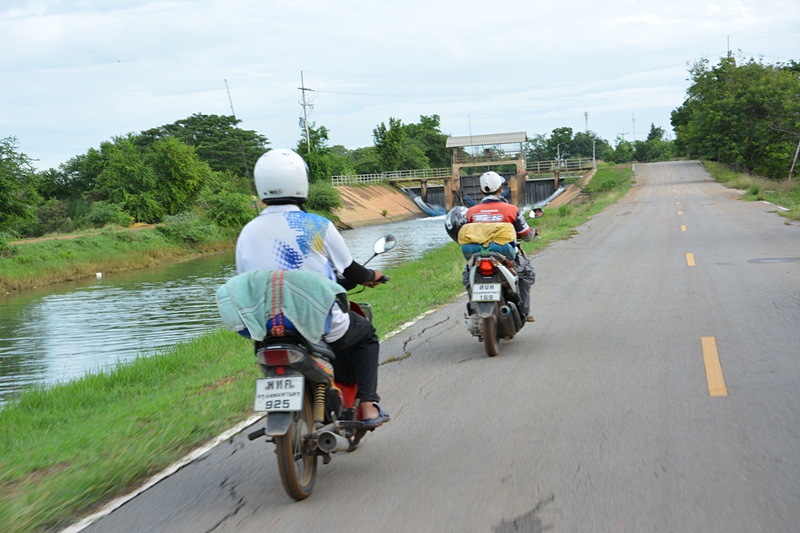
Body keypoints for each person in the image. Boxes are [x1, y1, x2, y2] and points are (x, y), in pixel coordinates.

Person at [235, 148, 389, 428]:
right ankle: (367, 406)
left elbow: (245, 280)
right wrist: (372, 274)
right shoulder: (316, 225)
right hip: (317, 322)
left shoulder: (247, 232)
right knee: (366, 335)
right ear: (301, 182)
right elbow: (350, 270)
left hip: (266, 328)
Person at [464, 171, 536, 322]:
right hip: (504, 256)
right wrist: (532, 233)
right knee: (527, 274)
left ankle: (473, 306)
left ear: (481, 190)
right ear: (500, 189)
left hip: (478, 256)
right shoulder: (512, 210)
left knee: (467, 276)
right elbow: (526, 235)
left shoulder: (470, 212)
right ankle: (523, 310)